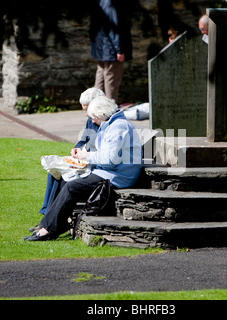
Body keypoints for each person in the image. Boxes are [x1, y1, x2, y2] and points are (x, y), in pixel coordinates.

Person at [25, 96, 142, 241]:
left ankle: (48, 230)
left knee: (71, 187)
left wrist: (86, 156)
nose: (92, 121)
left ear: (103, 114)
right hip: (109, 172)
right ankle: (51, 224)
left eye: (93, 117)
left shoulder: (117, 127)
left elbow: (110, 160)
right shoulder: (112, 124)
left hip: (116, 177)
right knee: (65, 179)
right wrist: (84, 156)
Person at [37, 87, 105, 218]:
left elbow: (100, 150)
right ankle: (46, 213)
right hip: (83, 160)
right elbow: (83, 140)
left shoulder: (103, 122)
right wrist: (76, 149)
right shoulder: (91, 121)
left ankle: (49, 218)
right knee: (53, 171)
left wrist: (84, 155)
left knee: (63, 176)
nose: (86, 114)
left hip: (92, 165)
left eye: (87, 110)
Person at [90, 0, 132, 103]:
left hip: (101, 49)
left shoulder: (100, 2)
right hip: (110, 50)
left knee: (100, 80)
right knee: (111, 82)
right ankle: (111, 111)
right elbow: (114, 28)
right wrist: (119, 50)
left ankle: (94, 109)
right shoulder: (110, 3)